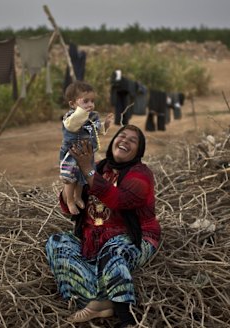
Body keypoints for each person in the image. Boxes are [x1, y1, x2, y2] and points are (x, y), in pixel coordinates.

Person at [46, 125, 161, 328]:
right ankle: (97, 301)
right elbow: (68, 206)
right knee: (57, 243)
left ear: (139, 151)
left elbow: (120, 200)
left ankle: (126, 317)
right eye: (122, 136)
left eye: (133, 140)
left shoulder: (141, 175)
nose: (125, 141)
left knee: (113, 249)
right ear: (113, 141)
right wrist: (71, 177)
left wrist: (87, 169)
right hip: (93, 242)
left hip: (134, 238)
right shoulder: (98, 168)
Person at [59, 81, 113, 215]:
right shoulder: (70, 117)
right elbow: (73, 125)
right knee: (70, 178)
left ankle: (77, 197)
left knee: (82, 177)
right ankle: (70, 200)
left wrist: (105, 125)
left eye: (92, 101)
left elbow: (95, 129)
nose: (90, 105)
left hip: (87, 152)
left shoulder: (92, 115)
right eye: (86, 101)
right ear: (72, 104)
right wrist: (81, 111)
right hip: (73, 153)